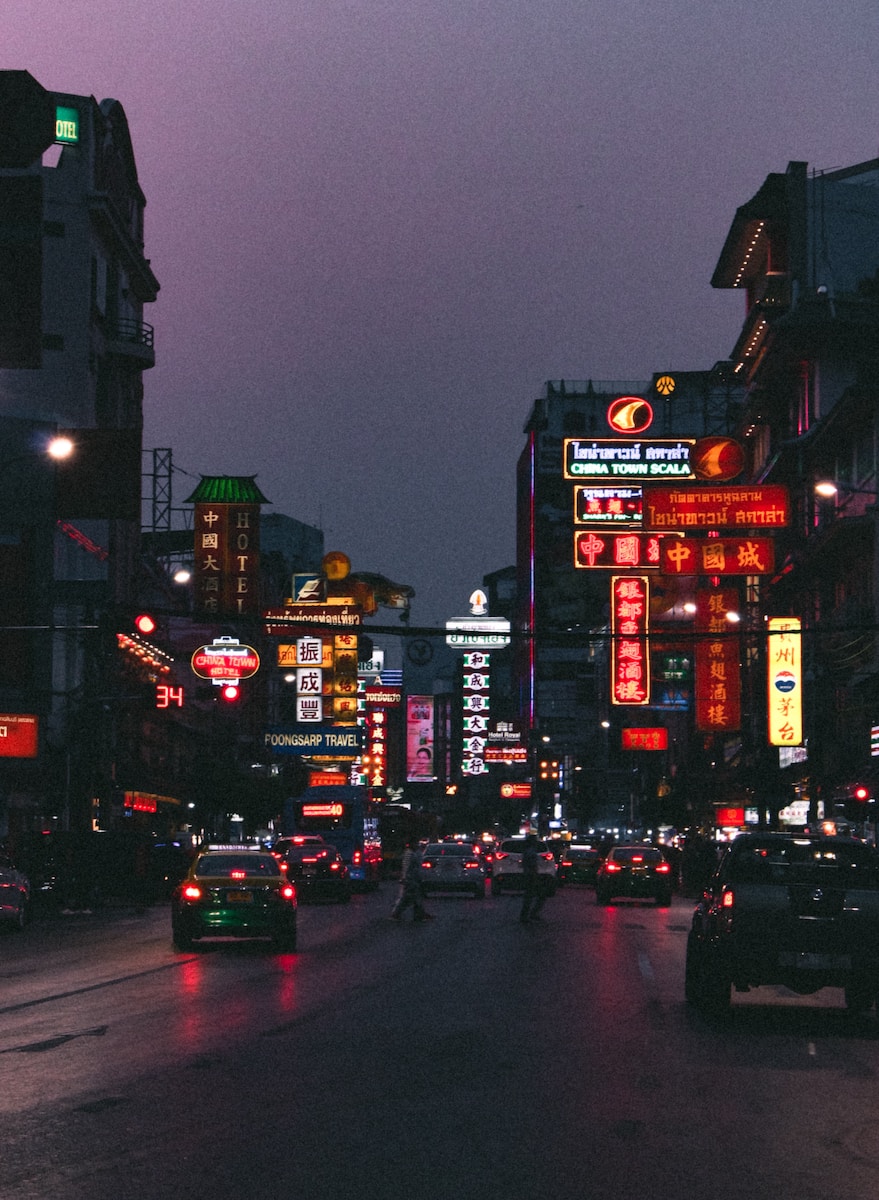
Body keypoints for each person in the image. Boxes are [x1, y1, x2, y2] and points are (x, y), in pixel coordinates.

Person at [390, 838, 434, 921]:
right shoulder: (409, 854)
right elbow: (406, 866)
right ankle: (397, 914)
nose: (417, 845)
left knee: (415, 897)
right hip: (410, 878)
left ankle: (418, 914)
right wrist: (404, 878)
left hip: (413, 878)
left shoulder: (414, 853)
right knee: (408, 898)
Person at [519, 833, 547, 923]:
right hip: (531, 876)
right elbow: (531, 865)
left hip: (529, 875)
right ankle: (531, 914)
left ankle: (526, 915)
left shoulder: (527, 851)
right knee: (538, 896)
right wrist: (535, 875)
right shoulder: (531, 852)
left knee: (529, 896)